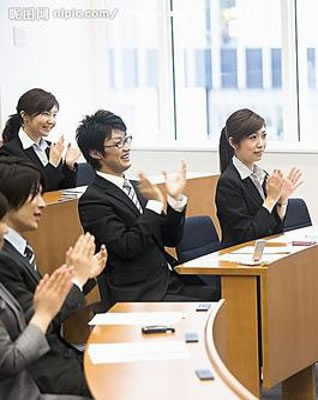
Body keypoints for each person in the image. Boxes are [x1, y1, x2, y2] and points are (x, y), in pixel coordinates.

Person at [76, 109, 218, 305]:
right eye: (118, 143)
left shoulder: (138, 187)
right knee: (216, 306)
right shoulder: (93, 200)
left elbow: (170, 239)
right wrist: (154, 205)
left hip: (168, 280)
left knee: (228, 296)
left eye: (126, 140)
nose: (126, 148)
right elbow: (128, 247)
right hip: (140, 293)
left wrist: (174, 201)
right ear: (95, 153)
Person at [0, 157, 104, 397]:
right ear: (7, 200)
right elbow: (36, 320)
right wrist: (76, 280)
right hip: (40, 374)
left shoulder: (18, 248)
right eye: (33, 195)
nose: (42, 203)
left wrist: (81, 276)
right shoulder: (4, 258)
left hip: (58, 358)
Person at [216, 108, 302, 248]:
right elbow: (246, 236)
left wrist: (281, 201)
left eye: (263, 136)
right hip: (238, 256)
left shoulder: (262, 176)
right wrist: (270, 199)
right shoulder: (228, 183)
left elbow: (273, 230)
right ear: (233, 143)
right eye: (253, 138)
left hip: (263, 252)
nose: (261, 144)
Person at [0, 88, 80, 191]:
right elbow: (31, 192)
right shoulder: (8, 152)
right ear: (24, 115)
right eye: (45, 114)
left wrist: (69, 166)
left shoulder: (51, 148)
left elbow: (63, 191)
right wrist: (52, 164)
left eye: (54, 115)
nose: (51, 121)